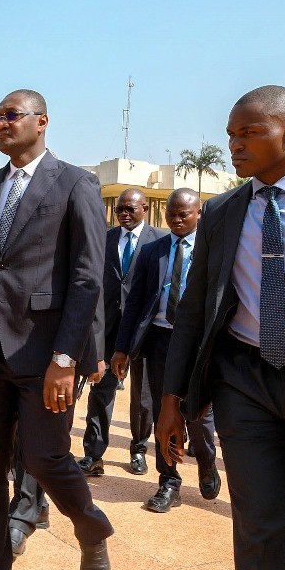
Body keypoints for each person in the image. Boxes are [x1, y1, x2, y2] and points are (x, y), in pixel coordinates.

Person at [159, 86, 285, 570]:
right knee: (259, 524)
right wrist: (173, 398)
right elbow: (194, 310)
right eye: (230, 135)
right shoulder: (222, 212)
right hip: (245, 382)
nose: (235, 145)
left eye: (249, 133)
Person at [0, 90, 113, 570]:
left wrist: (67, 358)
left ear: (42, 122)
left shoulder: (76, 183)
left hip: (46, 354)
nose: (2, 124)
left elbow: (87, 278)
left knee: (45, 459)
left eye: (12, 116)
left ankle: (91, 529)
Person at [113, 188, 219, 514]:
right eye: (170, 214)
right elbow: (133, 304)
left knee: (200, 415)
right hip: (160, 341)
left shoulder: (213, 250)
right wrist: (121, 348)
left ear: (198, 214)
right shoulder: (152, 251)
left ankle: (205, 459)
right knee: (165, 412)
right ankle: (169, 482)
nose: (175, 219)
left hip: (199, 344)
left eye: (183, 214)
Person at [77, 188, 164, 477]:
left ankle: (138, 449)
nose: (125, 214)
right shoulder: (104, 240)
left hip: (143, 332)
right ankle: (94, 454)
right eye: (120, 210)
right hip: (109, 330)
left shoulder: (160, 242)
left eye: (131, 209)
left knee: (143, 397)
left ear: (145, 209)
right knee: (101, 391)